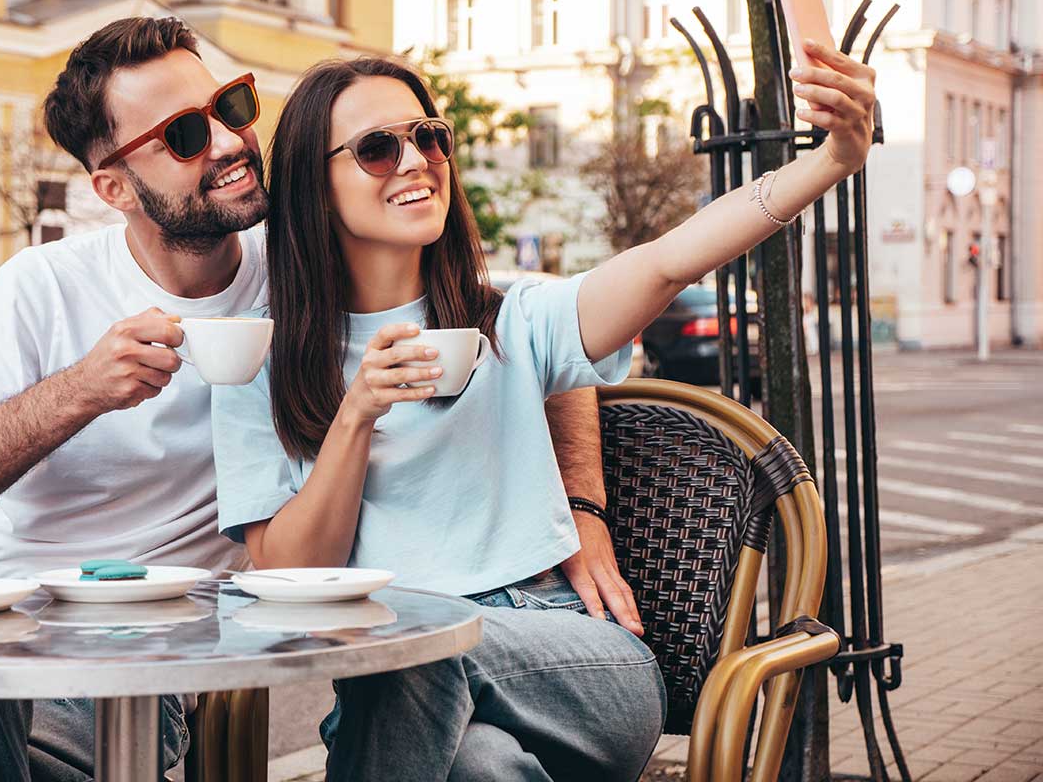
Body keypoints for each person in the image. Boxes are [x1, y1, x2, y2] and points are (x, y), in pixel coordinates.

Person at [0, 15, 629, 780]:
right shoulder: (42, 285)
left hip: (137, 661)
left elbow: (509, 327)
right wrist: (80, 392)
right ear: (113, 187)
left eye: (231, 107)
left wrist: (583, 513)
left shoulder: (306, 266)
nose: (227, 142)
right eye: (185, 136)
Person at [214, 46, 876, 780]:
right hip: (405, 680)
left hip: (574, 654)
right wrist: (356, 417)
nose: (415, 161)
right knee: (479, 765)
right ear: (316, 183)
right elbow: (293, 571)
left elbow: (666, 262)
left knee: (419, 641)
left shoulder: (515, 319)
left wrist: (828, 163)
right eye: (377, 148)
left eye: (429, 136)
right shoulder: (262, 359)